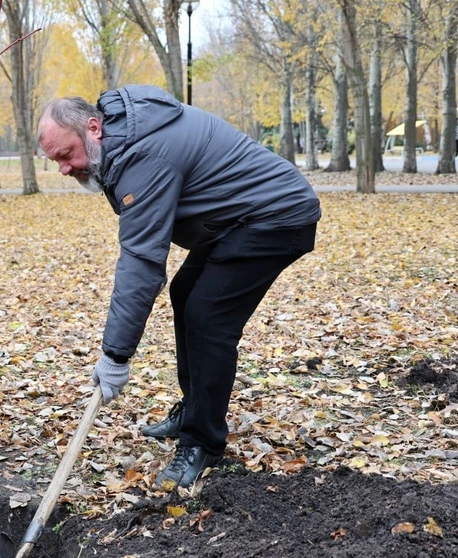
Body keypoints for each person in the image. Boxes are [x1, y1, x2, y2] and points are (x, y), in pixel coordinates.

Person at [37, 85, 321, 491]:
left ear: (94, 128)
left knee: (208, 318)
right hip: (234, 220)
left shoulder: (143, 155)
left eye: (66, 155)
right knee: (185, 292)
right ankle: (193, 411)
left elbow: (141, 262)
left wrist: (116, 355)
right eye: (56, 162)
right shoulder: (125, 142)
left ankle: (202, 441)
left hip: (276, 216)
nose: (64, 169)